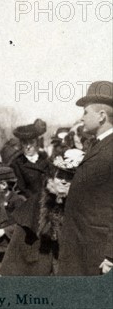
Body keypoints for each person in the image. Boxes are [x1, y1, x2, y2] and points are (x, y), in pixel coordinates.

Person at [57, 81, 113, 276]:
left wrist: (111, 255)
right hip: (83, 246)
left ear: (101, 116)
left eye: (86, 112)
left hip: (97, 254)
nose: (82, 118)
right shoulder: (99, 144)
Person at [0, 148, 84, 276]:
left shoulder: (80, 204)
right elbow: (16, 251)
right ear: (52, 178)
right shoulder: (35, 204)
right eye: (60, 176)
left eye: (70, 177)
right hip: (38, 264)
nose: (64, 181)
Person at [10, 119, 50, 199]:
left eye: (31, 142)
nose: (28, 147)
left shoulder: (46, 160)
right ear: (21, 144)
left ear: (37, 143)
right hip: (30, 203)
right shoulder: (17, 164)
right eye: (25, 143)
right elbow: (21, 189)